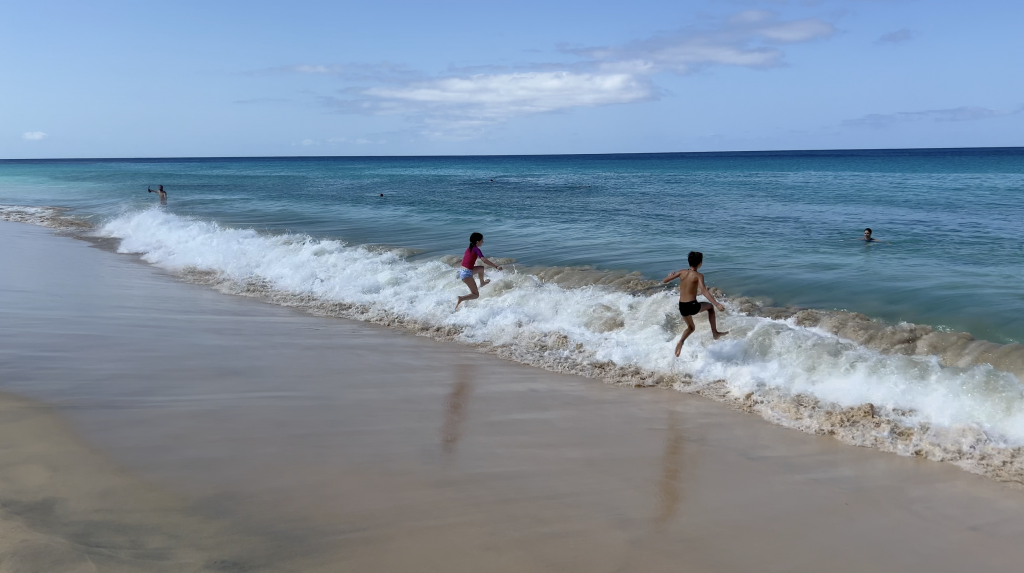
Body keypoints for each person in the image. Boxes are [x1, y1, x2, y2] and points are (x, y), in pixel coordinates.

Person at [662, 251, 728, 357]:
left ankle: (681, 342)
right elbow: (704, 291)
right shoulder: (699, 276)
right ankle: (715, 333)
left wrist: (670, 276)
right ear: (700, 263)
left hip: (682, 306)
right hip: (692, 305)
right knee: (710, 307)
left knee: (691, 328)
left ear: (689, 262)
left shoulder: (681, 272)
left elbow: (665, 281)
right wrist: (717, 304)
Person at [455, 232, 503, 309]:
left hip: (463, 271)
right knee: (476, 295)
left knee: (481, 268)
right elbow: (484, 260)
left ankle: (482, 282)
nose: (483, 242)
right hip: (466, 274)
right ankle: (461, 298)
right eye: (482, 240)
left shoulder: (469, 249)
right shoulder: (477, 249)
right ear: (477, 241)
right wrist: (496, 266)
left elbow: (466, 260)